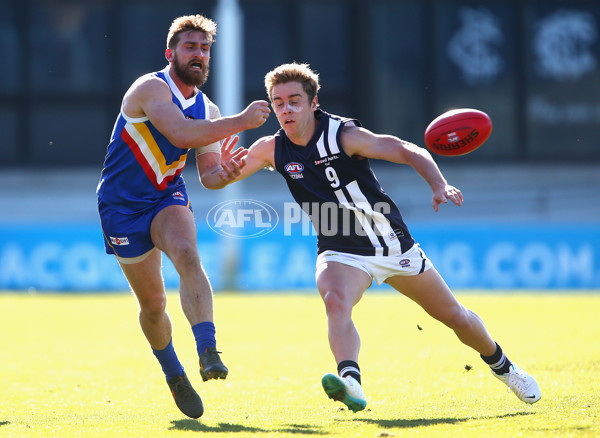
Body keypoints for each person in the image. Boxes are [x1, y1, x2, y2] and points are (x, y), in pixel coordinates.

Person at [215, 62, 541, 412]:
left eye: (295, 100)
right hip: (340, 250)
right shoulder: (270, 148)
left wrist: (438, 183)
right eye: (278, 102)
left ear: (313, 103)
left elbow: (407, 150)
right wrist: (221, 171)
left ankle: (504, 367)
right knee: (335, 300)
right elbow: (216, 182)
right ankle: (351, 381)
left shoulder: (344, 135)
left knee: (453, 316)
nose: (286, 109)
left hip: (391, 244)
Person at [96, 14, 270, 419]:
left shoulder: (208, 107)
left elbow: (208, 175)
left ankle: (208, 349)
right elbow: (180, 134)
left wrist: (226, 174)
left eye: (205, 49)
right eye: (191, 47)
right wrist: (242, 121)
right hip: (121, 207)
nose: (199, 55)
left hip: (166, 197)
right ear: (170, 53)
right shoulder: (151, 87)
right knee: (153, 304)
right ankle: (174, 373)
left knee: (188, 255)